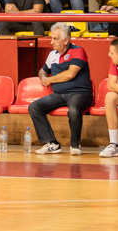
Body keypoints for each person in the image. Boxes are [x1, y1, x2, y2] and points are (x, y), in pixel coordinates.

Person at [29, 22, 93, 155]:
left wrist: (50, 80)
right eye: (51, 38)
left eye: (55, 39)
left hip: (80, 93)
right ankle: (51, 143)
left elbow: (70, 74)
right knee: (34, 107)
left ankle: (75, 145)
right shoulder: (52, 55)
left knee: (73, 110)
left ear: (65, 40)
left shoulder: (78, 51)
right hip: (59, 94)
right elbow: (42, 71)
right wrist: (43, 77)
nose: (51, 42)